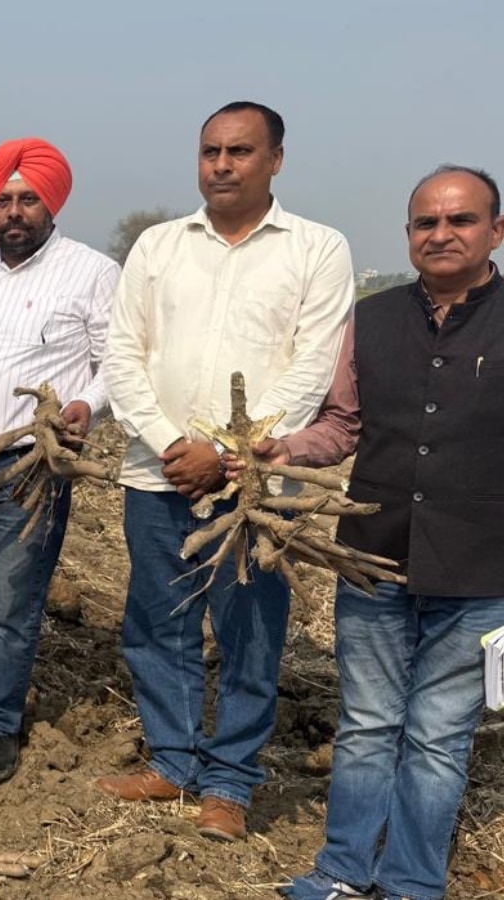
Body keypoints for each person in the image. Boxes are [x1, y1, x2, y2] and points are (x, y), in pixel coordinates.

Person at [99, 101, 354, 841]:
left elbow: (310, 369)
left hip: (255, 489)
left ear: (276, 159)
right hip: (159, 474)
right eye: (210, 150)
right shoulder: (158, 245)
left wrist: (231, 456)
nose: (221, 164)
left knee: (249, 631)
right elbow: (124, 354)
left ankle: (232, 783)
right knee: (157, 624)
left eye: (240, 151)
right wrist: (171, 443)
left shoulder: (316, 249)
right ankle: (173, 762)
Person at [267, 166, 504, 900]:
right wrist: (283, 449)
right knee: (368, 724)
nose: (441, 234)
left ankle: (409, 884)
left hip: (480, 571)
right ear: (407, 237)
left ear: (496, 231)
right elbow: (344, 425)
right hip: (371, 559)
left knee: (437, 737)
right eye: (425, 223)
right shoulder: (370, 319)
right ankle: (342, 871)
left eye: (460, 220)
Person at [0, 139, 118, 785]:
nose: (14, 211)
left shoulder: (91, 271)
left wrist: (86, 407)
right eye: (3, 199)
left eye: (27, 199)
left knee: (13, 601)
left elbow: (115, 365)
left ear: (51, 202)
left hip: (29, 469)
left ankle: (0, 723)